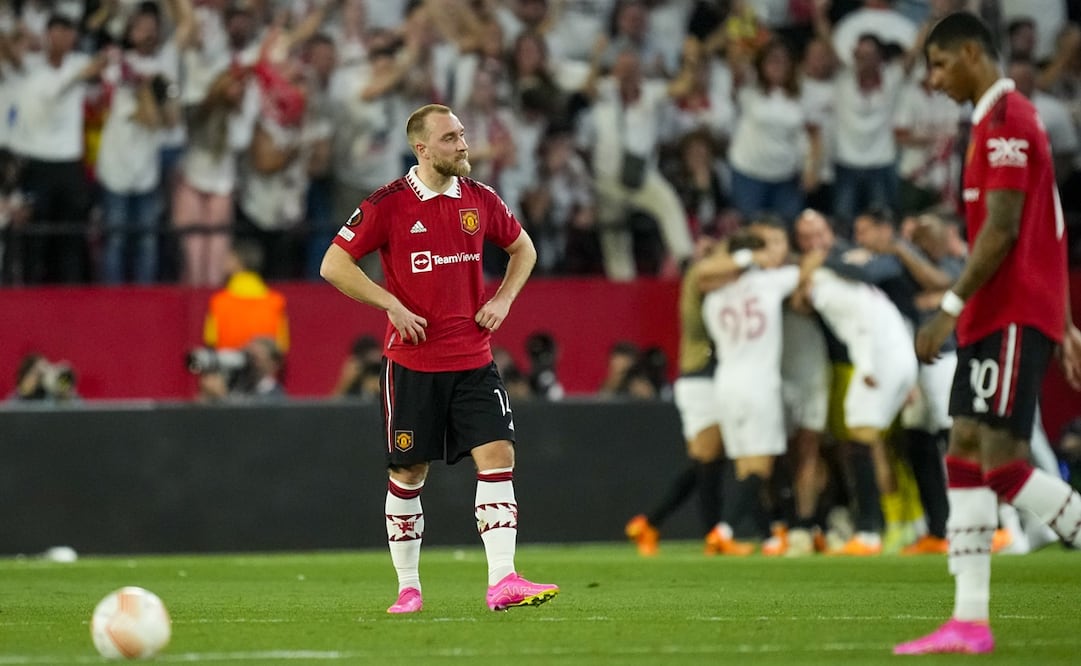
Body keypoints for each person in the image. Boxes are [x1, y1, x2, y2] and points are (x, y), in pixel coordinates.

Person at [320, 103, 558, 614]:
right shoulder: (387, 204)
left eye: (463, 134)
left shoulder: (480, 199)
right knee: (408, 474)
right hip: (412, 365)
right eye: (450, 138)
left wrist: (502, 300)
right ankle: (409, 587)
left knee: (499, 455)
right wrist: (389, 303)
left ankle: (503, 580)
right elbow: (333, 264)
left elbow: (524, 250)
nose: (463, 145)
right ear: (422, 149)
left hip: (474, 359)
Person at [895, 12, 1081, 655]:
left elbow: (1003, 229)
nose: (936, 80)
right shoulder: (994, 123)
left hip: (1002, 315)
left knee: (1001, 465)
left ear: (973, 53)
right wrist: (1064, 319)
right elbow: (1046, 226)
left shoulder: (1008, 122)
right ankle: (968, 619)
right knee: (965, 456)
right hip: (997, 316)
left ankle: (973, 614)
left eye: (941, 65)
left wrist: (947, 304)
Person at [203, 239, 290, 354]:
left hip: (227, 367)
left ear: (237, 262)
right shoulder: (276, 301)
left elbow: (210, 340)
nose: (223, 262)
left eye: (228, 258)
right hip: (264, 366)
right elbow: (282, 345)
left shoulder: (219, 302)